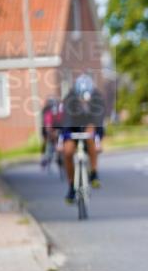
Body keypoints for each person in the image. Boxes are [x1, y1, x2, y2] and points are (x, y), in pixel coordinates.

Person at [60, 74, 106, 203]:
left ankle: (94, 172)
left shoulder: (97, 97)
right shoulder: (70, 98)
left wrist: (96, 134)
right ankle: (71, 187)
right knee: (67, 151)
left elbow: (98, 119)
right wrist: (66, 136)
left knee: (90, 133)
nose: (84, 101)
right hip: (73, 127)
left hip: (90, 125)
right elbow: (66, 120)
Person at [40, 98, 61, 167]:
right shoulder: (47, 111)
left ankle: (59, 154)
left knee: (59, 138)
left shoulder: (60, 112)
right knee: (46, 140)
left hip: (57, 126)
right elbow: (47, 123)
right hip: (48, 126)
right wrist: (49, 132)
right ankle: (43, 157)